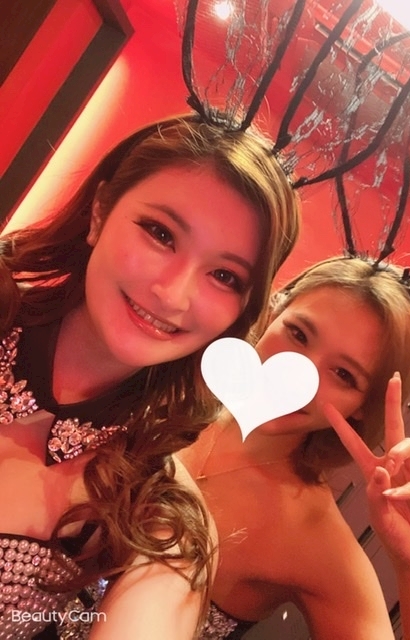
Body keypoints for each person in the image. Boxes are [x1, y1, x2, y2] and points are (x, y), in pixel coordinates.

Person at [0, 114, 301, 639]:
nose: (174, 294)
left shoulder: (160, 515)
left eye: (224, 276)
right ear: (100, 212)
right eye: (161, 234)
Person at [178, 256, 410, 640]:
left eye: (343, 374)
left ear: (362, 407)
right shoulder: (169, 395)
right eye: (298, 334)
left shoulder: (315, 540)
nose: (296, 374)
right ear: (275, 311)